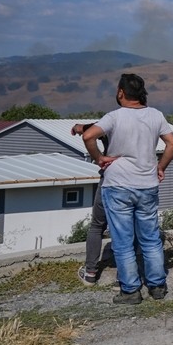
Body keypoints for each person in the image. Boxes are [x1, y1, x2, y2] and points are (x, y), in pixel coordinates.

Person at [79, 74, 173, 304]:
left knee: (122, 241)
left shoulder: (114, 116)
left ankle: (131, 290)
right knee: (151, 238)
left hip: (118, 184)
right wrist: (160, 167)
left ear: (121, 92)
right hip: (147, 184)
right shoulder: (156, 115)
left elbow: (88, 135)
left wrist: (99, 158)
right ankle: (157, 286)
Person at [70, 122, 109, 285]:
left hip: (111, 178)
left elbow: (88, 133)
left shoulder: (114, 120)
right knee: (126, 227)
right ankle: (125, 277)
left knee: (97, 226)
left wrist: (99, 158)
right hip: (137, 180)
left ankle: (90, 272)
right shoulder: (148, 121)